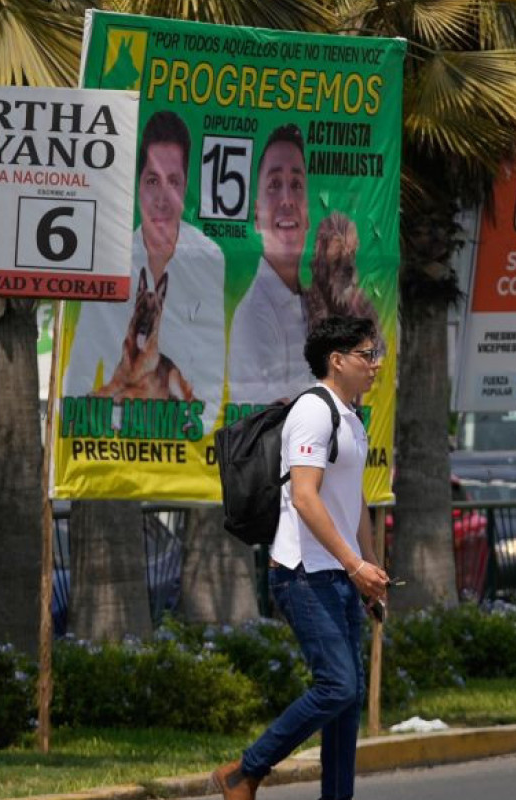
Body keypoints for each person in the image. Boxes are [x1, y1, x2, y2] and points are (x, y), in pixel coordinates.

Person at [212, 315, 388, 800]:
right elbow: (307, 499)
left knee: (345, 702)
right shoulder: (313, 411)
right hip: (303, 573)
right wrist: (354, 566)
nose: (376, 365)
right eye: (367, 355)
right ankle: (245, 771)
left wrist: (368, 570)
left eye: (377, 355)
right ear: (337, 360)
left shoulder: (351, 416)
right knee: (337, 686)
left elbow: (354, 502)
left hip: (338, 574)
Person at [62, 110, 224, 425]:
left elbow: (213, 378)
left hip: (183, 447)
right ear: (137, 185)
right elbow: (78, 372)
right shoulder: (107, 257)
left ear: (186, 186)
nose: (162, 198)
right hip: (112, 444)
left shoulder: (209, 259)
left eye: (173, 182)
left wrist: (185, 435)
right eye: (152, 180)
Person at [229, 123, 316, 404]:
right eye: (275, 185)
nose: (288, 200)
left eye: (297, 185)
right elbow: (264, 419)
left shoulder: (313, 306)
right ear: (256, 216)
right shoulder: (252, 315)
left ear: (308, 215)